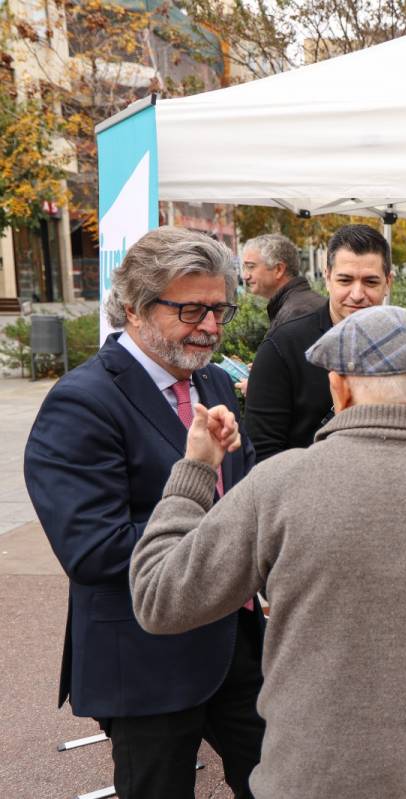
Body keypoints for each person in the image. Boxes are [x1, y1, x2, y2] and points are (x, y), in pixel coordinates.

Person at [129, 306, 406, 799]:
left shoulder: (281, 484)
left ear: (338, 387)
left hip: (316, 777)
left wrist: (195, 470)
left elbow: (160, 599)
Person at [24, 227, 264, 798]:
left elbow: (246, 491)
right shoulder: (82, 401)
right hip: (146, 657)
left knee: (283, 781)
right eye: (191, 310)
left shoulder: (212, 382)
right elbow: (93, 549)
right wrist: (222, 542)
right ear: (133, 306)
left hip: (237, 642)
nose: (210, 327)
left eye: (220, 309)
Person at [244, 223, 393, 460]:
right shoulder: (284, 346)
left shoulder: (403, 346)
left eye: (370, 282)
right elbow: (261, 452)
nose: (357, 294)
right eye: (345, 281)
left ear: (388, 283)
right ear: (327, 278)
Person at [241, 234, 325, 334]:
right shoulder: (299, 306)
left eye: (251, 266)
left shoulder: (297, 313)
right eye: (244, 267)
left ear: (279, 270)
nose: (245, 276)